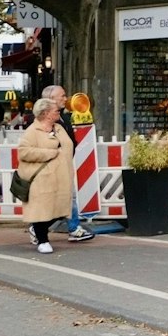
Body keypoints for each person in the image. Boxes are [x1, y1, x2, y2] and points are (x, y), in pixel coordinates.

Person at [14, 99, 75, 254]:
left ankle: (37, 230)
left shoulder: (59, 128)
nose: (59, 112)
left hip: (61, 177)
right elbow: (24, 152)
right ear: (46, 113)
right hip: (41, 179)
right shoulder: (32, 131)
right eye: (55, 110)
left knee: (61, 209)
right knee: (41, 210)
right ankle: (43, 240)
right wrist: (49, 153)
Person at [40, 84, 94, 243]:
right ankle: (70, 228)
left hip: (63, 164)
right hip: (53, 166)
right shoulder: (45, 121)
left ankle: (70, 227)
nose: (66, 98)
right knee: (63, 197)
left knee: (65, 197)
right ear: (51, 99)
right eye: (62, 96)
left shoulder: (64, 117)